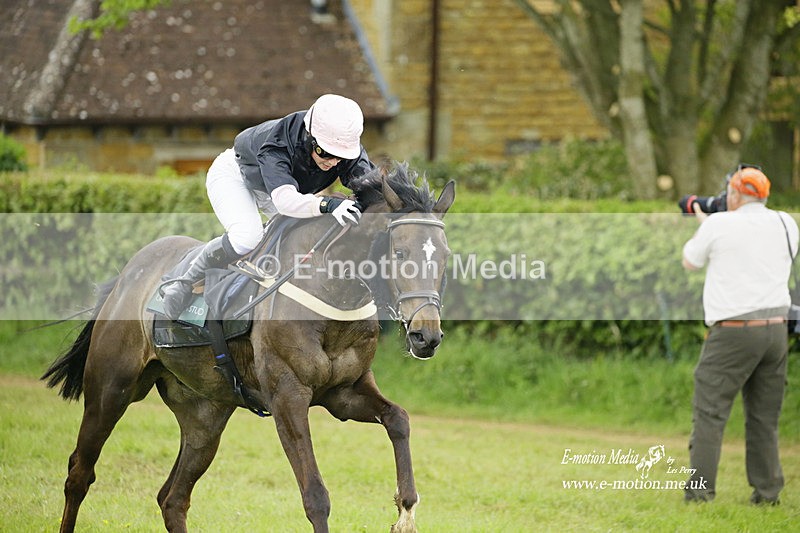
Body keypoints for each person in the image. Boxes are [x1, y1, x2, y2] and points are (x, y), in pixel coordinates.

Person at [159, 94, 375, 320]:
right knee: (247, 237)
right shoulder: (278, 143)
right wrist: (327, 203)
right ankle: (182, 282)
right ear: (310, 137)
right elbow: (285, 201)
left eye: (340, 157)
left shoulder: (343, 146)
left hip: (282, 190)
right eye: (326, 153)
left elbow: (372, 187)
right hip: (236, 176)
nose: (333, 162)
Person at [681, 165, 798, 504]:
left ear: (733, 194)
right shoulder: (786, 223)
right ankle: (767, 493)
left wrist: (705, 225)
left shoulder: (718, 224)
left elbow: (690, 261)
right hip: (775, 331)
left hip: (733, 332)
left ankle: (699, 493)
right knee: (764, 417)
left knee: (710, 412)